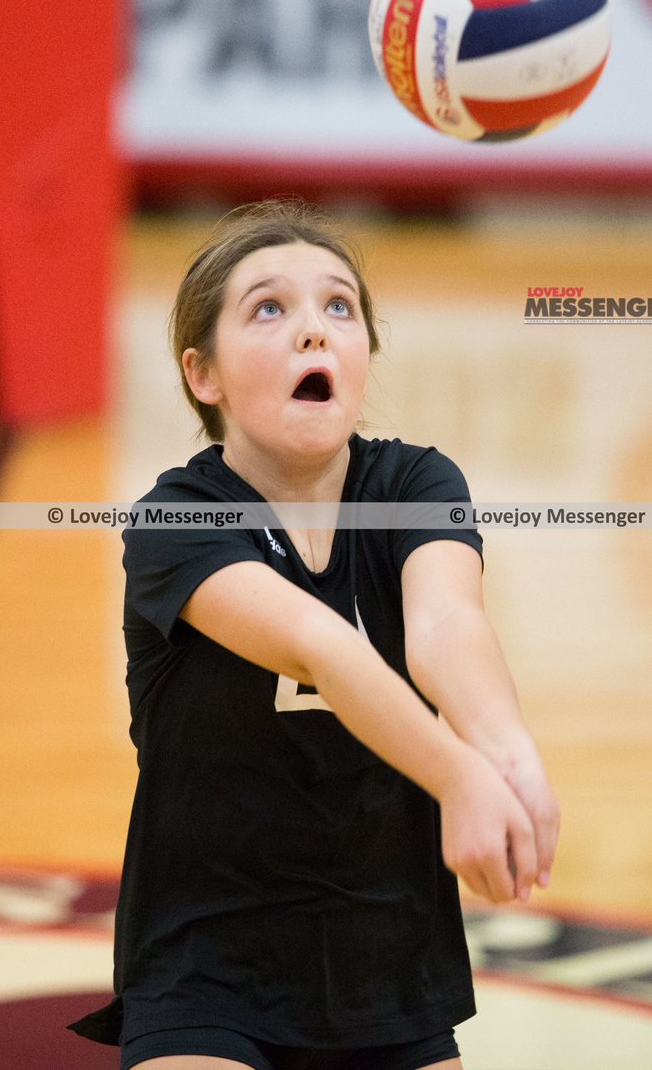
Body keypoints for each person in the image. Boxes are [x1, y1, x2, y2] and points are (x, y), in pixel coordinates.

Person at [69, 199, 560, 1070]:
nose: (314, 332)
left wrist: (510, 755)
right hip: (207, 969)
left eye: (339, 307)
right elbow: (319, 647)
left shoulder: (414, 479)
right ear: (203, 374)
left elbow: (446, 624)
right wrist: (457, 776)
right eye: (269, 308)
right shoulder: (175, 519)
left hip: (385, 966)